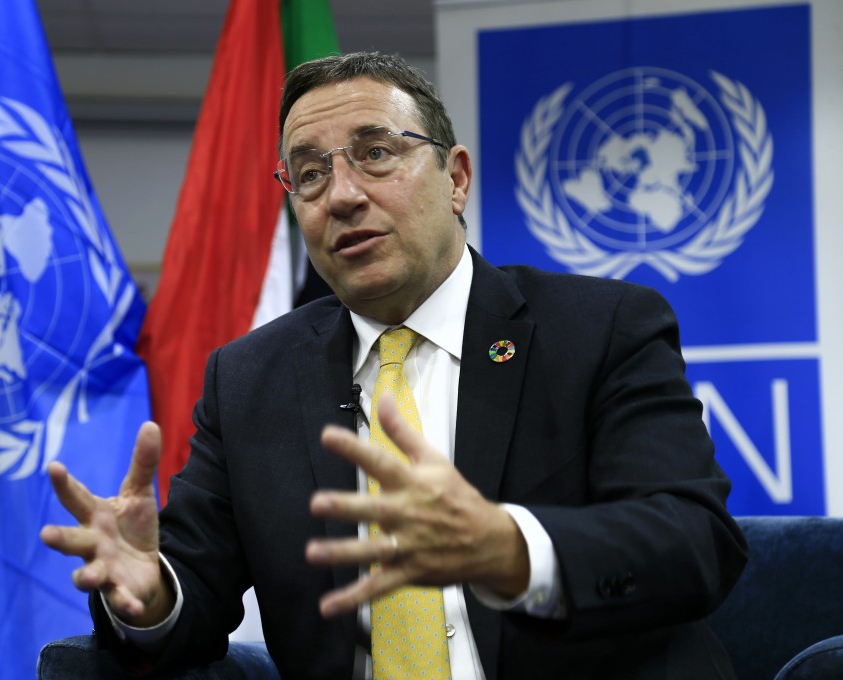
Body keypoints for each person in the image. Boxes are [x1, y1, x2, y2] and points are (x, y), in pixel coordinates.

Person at [40, 51, 748, 679]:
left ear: (456, 178)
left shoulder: (600, 329)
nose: (342, 196)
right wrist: (149, 594)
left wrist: (511, 550)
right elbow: (194, 584)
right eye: (310, 175)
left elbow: (694, 542)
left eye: (376, 153)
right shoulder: (250, 379)